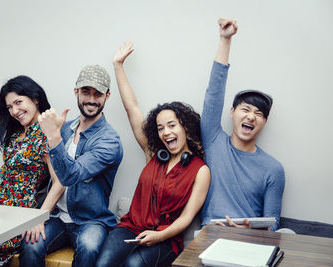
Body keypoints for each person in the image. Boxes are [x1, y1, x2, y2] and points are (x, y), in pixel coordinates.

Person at [95, 42, 210, 267]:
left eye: (171, 125)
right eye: (160, 128)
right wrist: (118, 65)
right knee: (103, 264)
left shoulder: (200, 170)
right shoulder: (154, 153)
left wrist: (158, 235)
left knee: (134, 265)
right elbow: (132, 108)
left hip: (166, 237)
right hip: (130, 227)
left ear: (185, 127)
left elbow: (186, 219)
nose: (166, 132)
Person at [0, 29, 65, 266]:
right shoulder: (13, 128)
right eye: (9, 106)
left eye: (19, 102)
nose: (14, 111)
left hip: (17, 213)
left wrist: (38, 219)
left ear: (36, 99)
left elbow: (60, 181)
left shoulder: (46, 129)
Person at [19, 64, 123, 267]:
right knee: (30, 244)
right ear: (76, 92)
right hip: (56, 217)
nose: (91, 99)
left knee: (89, 247)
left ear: (107, 96)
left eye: (98, 93)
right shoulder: (64, 128)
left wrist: (53, 137)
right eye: (86, 91)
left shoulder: (110, 142)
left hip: (91, 221)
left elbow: (70, 175)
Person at [200, 18, 285, 231]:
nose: (251, 117)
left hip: (250, 239)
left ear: (264, 122)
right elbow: (214, 93)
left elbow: (273, 225)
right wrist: (225, 40)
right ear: (232, 113)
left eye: (258, 113)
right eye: (245, 110)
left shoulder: (273, 169)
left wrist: (250, 232)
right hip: (210, 233)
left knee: (288, 233)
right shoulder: (214, 141)